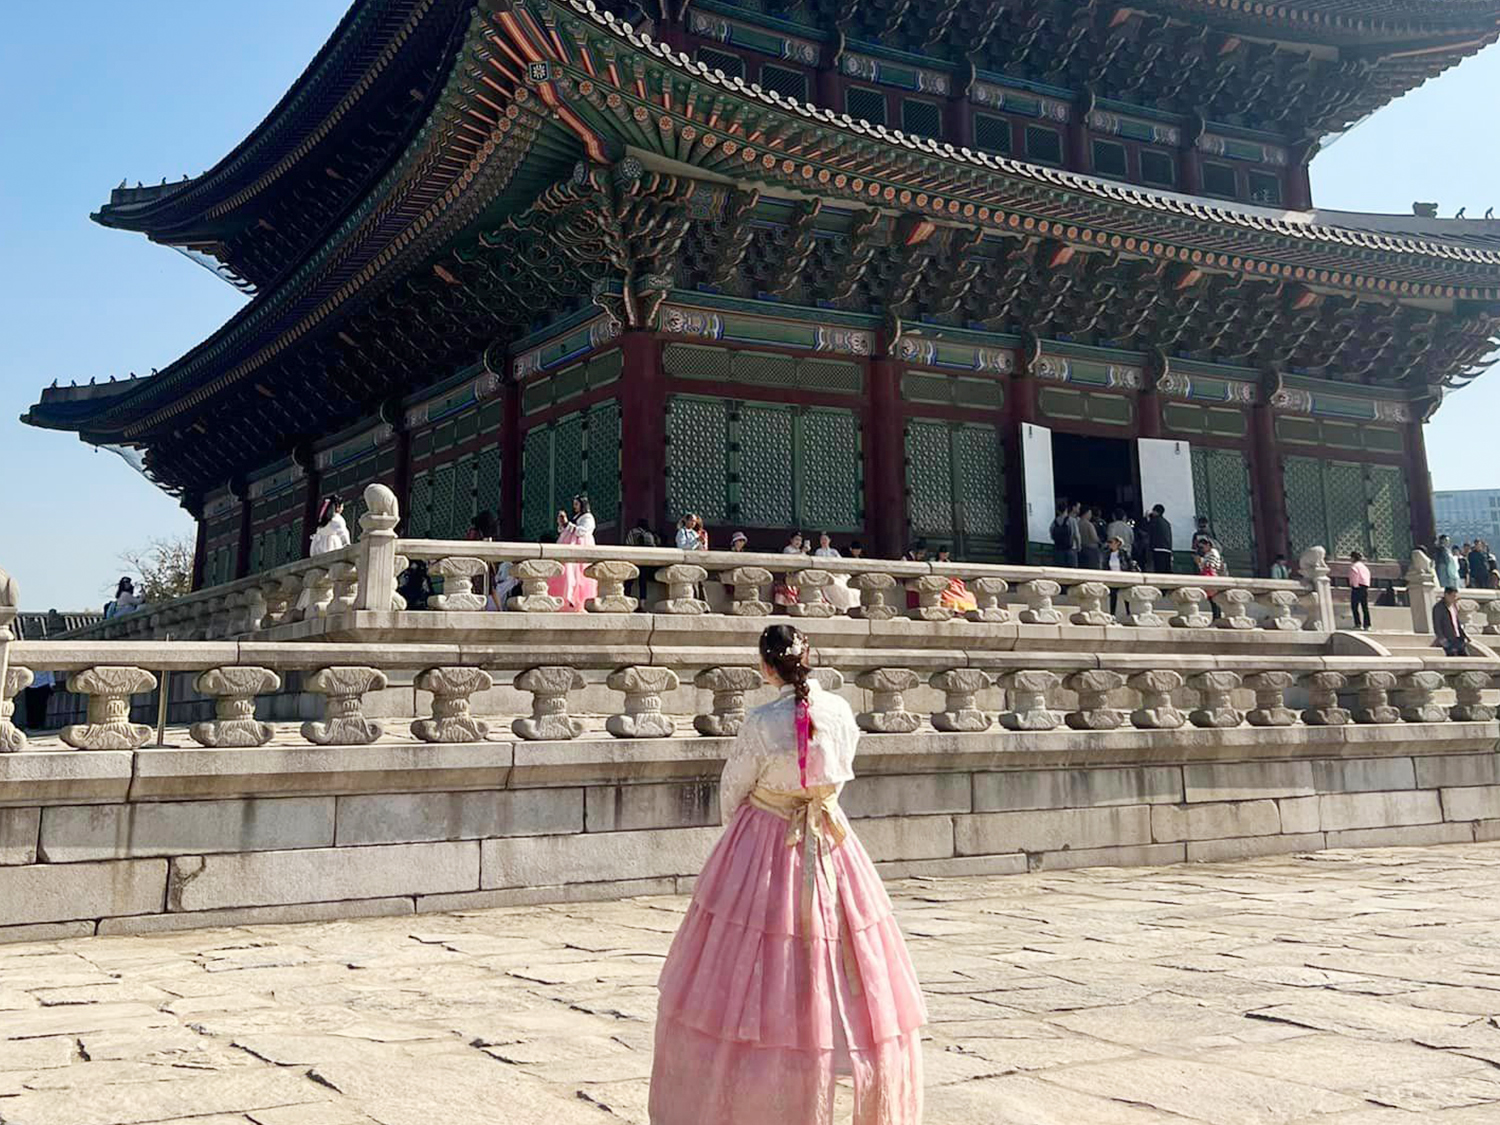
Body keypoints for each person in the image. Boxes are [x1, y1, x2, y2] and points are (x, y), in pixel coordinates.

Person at [648, 624, 926, 1124]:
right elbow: (843, 767)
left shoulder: (760, 721)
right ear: (809, 658)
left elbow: (734, 786)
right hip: (830, 836)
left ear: (766, 666)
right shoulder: (840, 710)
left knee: (756, 949)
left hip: (767, 837)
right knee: (839, 947)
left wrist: (743, 827)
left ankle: (753, 1076)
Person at [548, 494, 598, 612]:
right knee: (567, 574)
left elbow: (582, 532)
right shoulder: (576, 517)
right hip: (570, 547)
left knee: (579, 576)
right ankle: (566, 599)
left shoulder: (588, 518)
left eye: (576, 504)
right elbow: (566, 529)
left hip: (581, 547)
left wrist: (567, 524)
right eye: (574, 504)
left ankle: (577, 601)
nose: (575, 507)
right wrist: (562, 523)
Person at [814, 532, 860, 612]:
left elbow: (840, 561)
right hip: (827, 574)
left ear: (829, 540)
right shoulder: (819, 551)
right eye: (822, 539)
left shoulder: (834, 551)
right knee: (837, 585)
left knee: (848, 586)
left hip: (837, 573)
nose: (824, 541)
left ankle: (852, 606)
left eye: (825, 539)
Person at [933, 545, 978, 613]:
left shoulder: (949, 562)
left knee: (964, 591)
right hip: (942, 581)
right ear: (939, 553)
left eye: (946, 553)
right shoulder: (935, 562)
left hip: (953, 580)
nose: (945, 555)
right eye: (943, 553)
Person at [1434, 586, 1470, 657]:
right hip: (1448, 639)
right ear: (1446, 595)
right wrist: (1442, 639)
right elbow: (1437, 625)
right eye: (1453, 596)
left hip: (1458, 638)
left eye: (1456, 596)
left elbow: (1457, 623)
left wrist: (1464, 636)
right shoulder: (1439, 608)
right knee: (1452, 655)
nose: (1455, 598)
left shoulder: (1454, 606)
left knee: (1465, 656)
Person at [772, 532, 803, 610]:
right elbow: (789, 558)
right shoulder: (788, 549)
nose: (798, 542)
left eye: (800, 540)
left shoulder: (801, 551)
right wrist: (801, 552)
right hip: (788, 574)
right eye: (796, 539)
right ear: (791, 540)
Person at [1348, 549, 1372, 630]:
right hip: (1364, 586)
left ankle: (1358, 624)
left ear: (1353, 558)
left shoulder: (1354, 566)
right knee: (1364, 606)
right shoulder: (1364, 567)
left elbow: (1355, 576)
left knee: (1354, 606)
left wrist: (1354, 585)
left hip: (1357, 587)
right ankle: (1367, 625)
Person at [1145, 504, 1173, 573]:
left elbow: (1148, 529)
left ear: (1155, 511)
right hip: (1167, 550)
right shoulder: (1166, 523)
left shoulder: (1155, 521)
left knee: (1159, 570)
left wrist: (1147, 518)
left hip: (1158, 549)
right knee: (1166, 571)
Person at [1050, 501, 1078, 568]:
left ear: (1057, 510)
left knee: (1060, 569)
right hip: (1070, 549)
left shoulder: (1054, 522)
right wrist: (1078, 546)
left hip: (1058, 549)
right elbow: (1076, 535)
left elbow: (1051, 534)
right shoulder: (1072, 520)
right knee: (1072, 570)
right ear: (1066, 509)